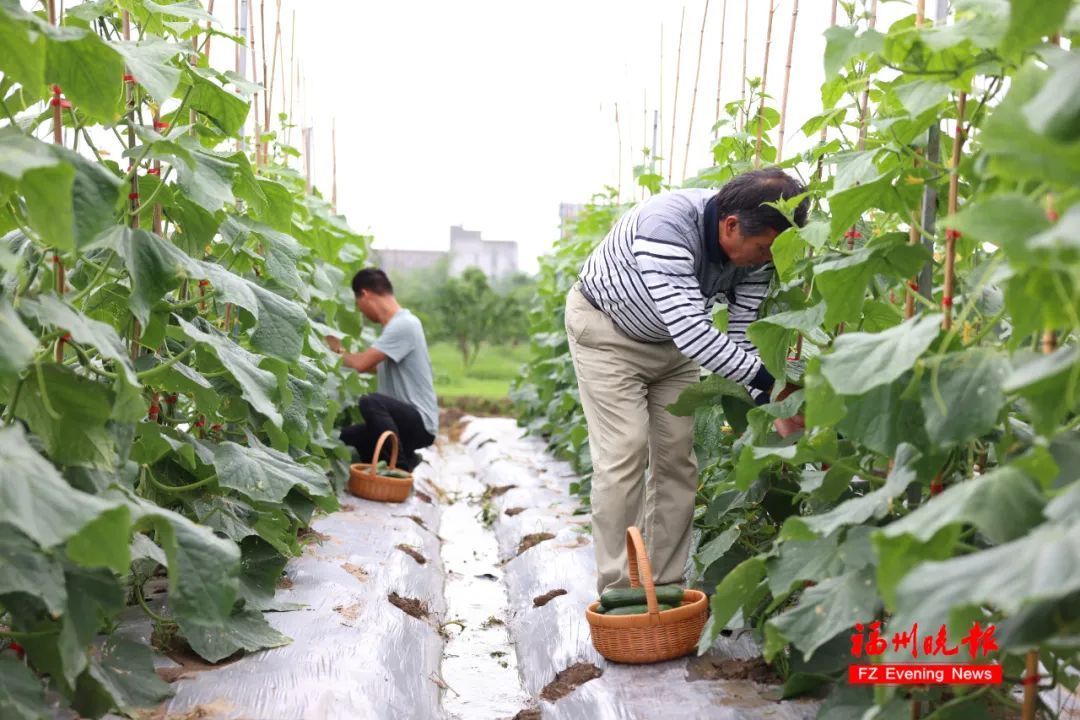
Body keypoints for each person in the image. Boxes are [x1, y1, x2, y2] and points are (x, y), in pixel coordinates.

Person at [565, 167, 809, 595]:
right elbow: (695, 333)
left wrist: (776, 406)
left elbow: (739, 337)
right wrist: (775, 384)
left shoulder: (762, 252)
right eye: (764, 249)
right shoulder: (668, 224)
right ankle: (620, 589)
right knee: (624, 448)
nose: (768, 260)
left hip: (671, 345)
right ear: (731, 226)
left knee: (678, 456)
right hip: (607, 333)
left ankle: (663, 583)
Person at [326, 268, 439, 472]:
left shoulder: (404, 324)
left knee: (371, 402)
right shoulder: (399, 326)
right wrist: (341, 352)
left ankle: (400, 468)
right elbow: (373, 368)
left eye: (359, 304)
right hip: (402, 423)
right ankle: (408, 458)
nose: (361, 311)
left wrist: (333, 353)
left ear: (365, 294)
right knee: (346, 438)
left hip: (420, 423)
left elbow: (360, 364)